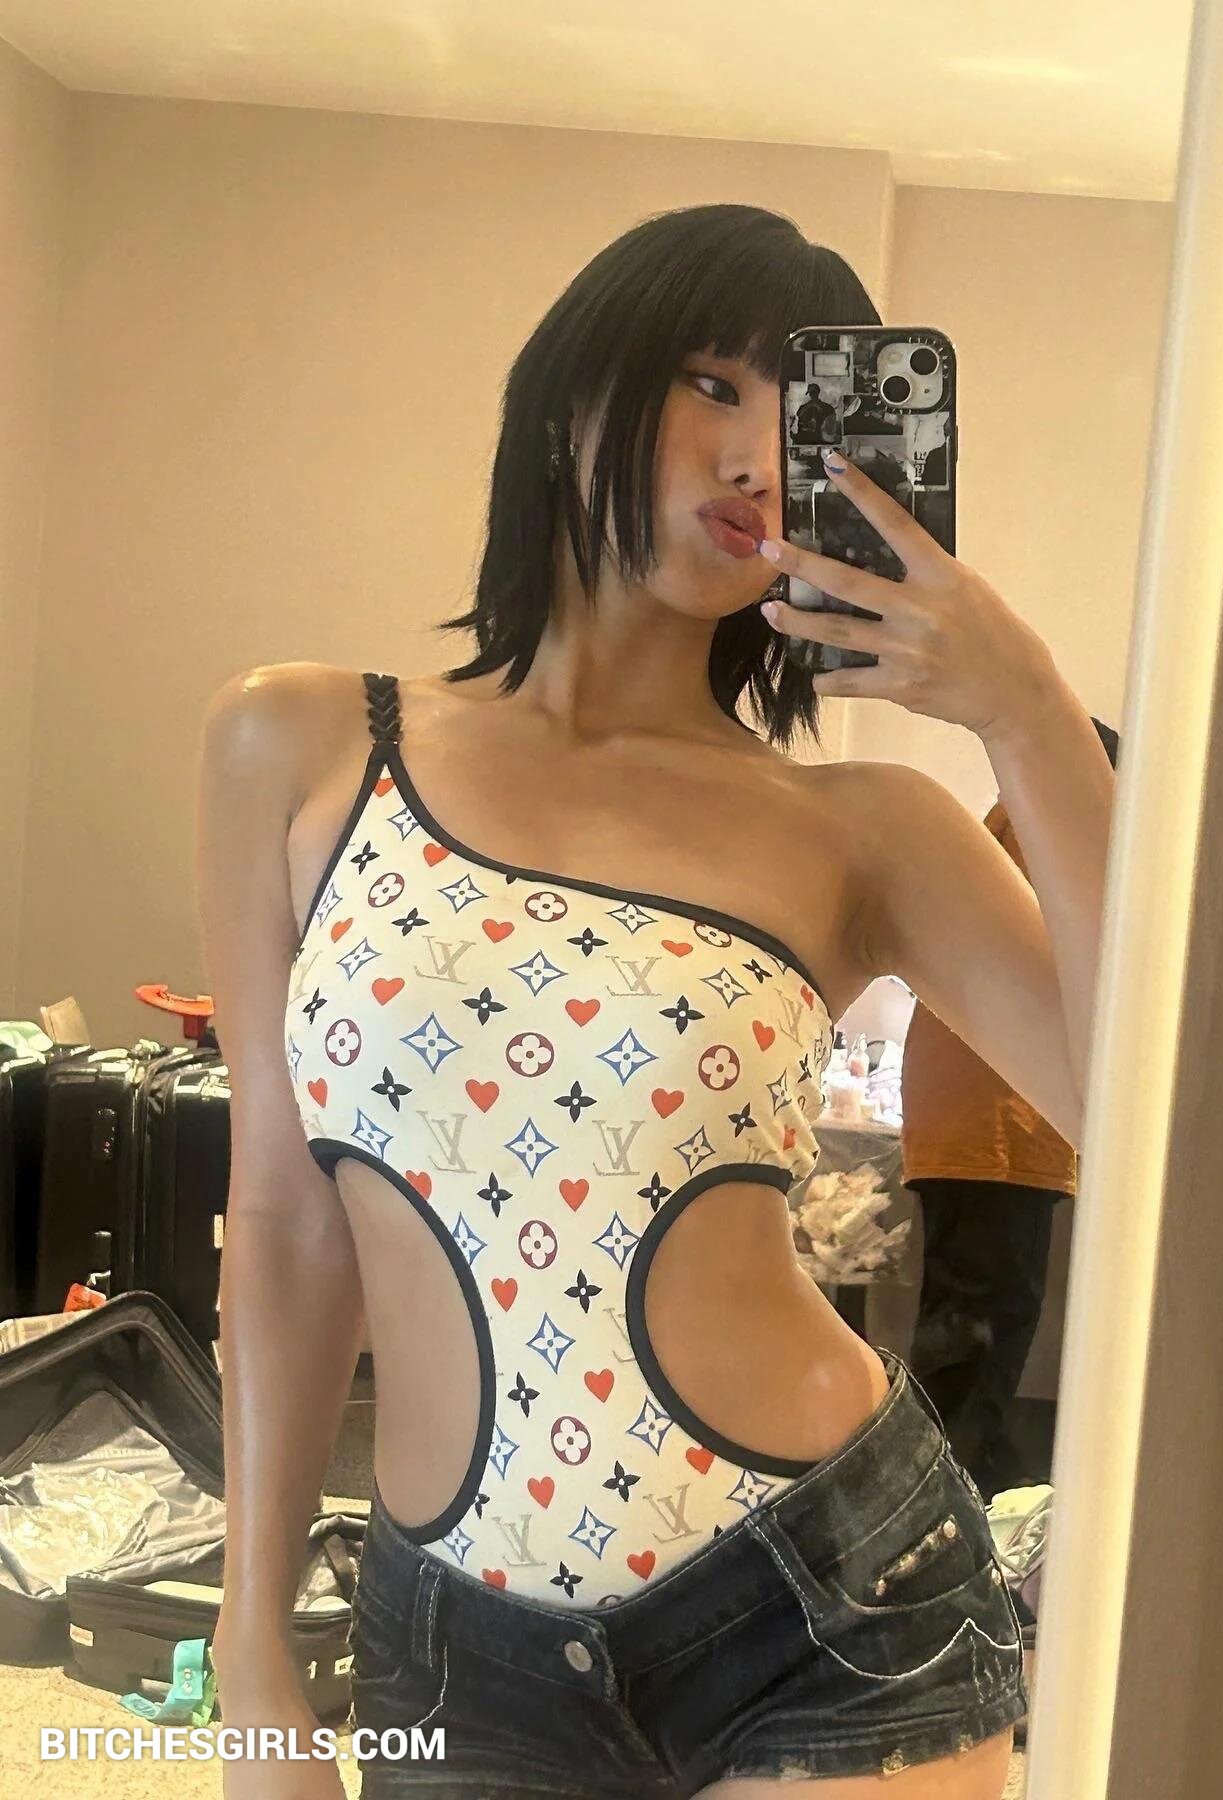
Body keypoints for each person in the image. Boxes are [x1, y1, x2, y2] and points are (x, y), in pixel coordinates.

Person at [197, 201, 1115, 1800]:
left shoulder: (865, 829)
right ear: (575, 399)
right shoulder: (300, 746)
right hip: (450, 1644)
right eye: (710, 384)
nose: (757, 457)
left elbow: (1154, 1113)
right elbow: (284, 1218)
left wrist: (1028, 714)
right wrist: (252, 1644)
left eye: (798, 418)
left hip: (826, 1605)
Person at [899, 719, 1121, 1504]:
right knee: (983, 1321)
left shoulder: (1008, 828)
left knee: (974, 1316)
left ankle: (962, 1478)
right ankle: (947, 1500)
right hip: (998, 1114)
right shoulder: (1053, 835)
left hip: (978, 1108)